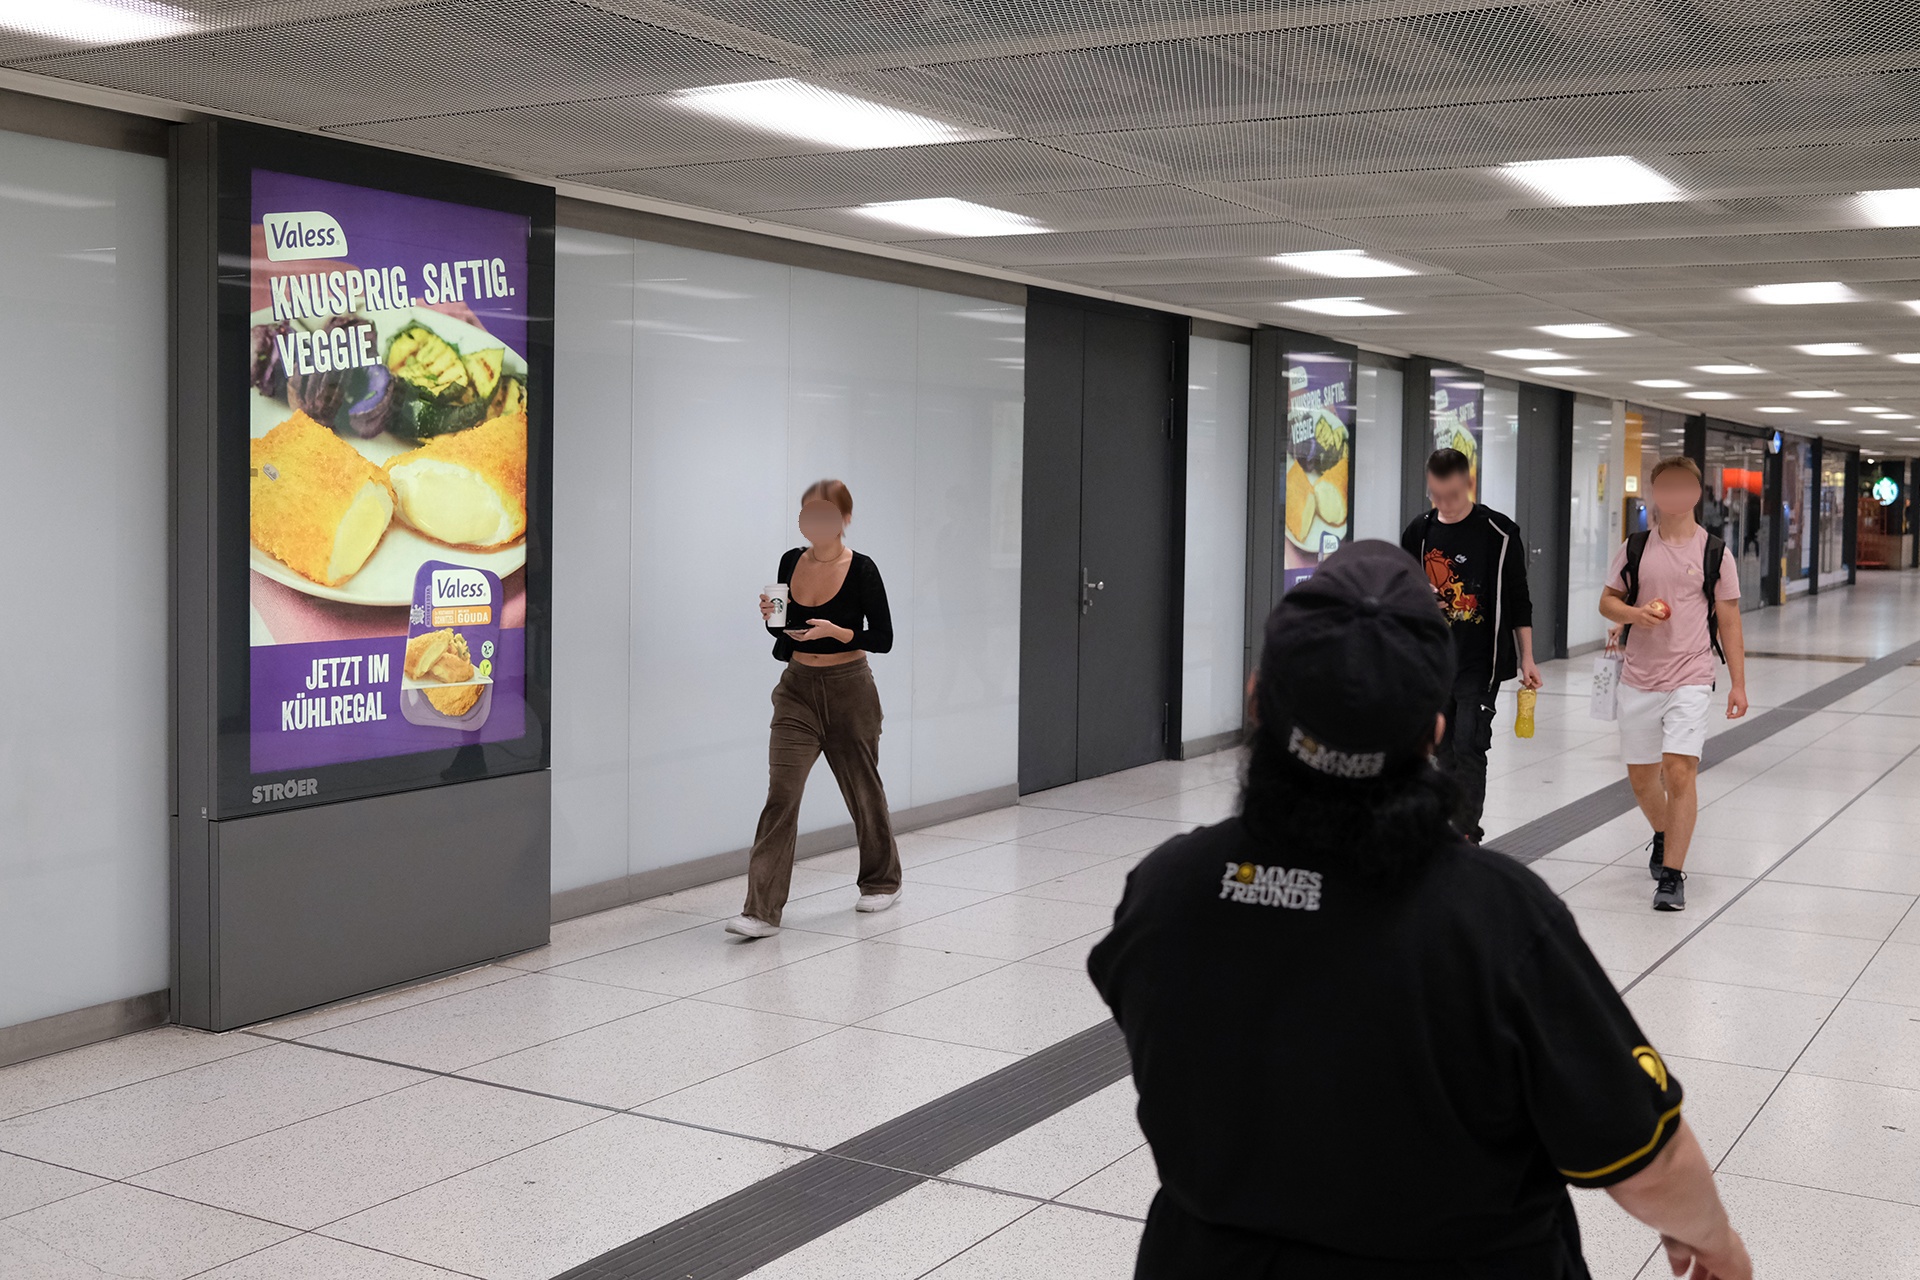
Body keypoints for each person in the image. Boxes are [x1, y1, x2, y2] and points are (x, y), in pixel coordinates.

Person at [1088, 541, 1751, 1280]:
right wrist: (1714, 1239)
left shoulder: (1169, 888)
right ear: (1435, 730)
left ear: (1255, 701)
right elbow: (1644, 1155)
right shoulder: (1494, 917)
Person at [727, 480, 902, 938]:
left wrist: (838, 632)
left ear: (845, 518)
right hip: (797, 690)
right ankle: (761, 910)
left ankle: (882, 881)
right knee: (781, 795)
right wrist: (772, 618)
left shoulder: (862, 569)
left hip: (850, 689)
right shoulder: (791, 560)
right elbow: (782, 630)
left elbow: (883, 638)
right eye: (808, 512)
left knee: (863, 789)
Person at [1600, 456, 1748, 912]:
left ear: (1696, 493)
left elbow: (1729, 620)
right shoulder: (1635, 547)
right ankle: (1664, 833)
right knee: (1643, 779)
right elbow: (1608, 602)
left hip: (1691, 675)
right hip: (1639, 678)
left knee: (1680, 770)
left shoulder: (1715, 553)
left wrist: (1738, 684)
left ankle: (1671, 877)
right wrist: (1634, 614)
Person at [1399, 448, 1542, 842]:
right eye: (1436, 495)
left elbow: (1519, 598)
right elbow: (1402, 589)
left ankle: (1465, 835)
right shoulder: (1419, 531)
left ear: (1468, 484)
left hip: (1482, 660)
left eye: (1451, 495)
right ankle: (1451, 824)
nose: (1444, 504)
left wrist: (1528, 657)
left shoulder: (1499, 532)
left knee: (1469, 744)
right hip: (1434, 660)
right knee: (1442, 747)